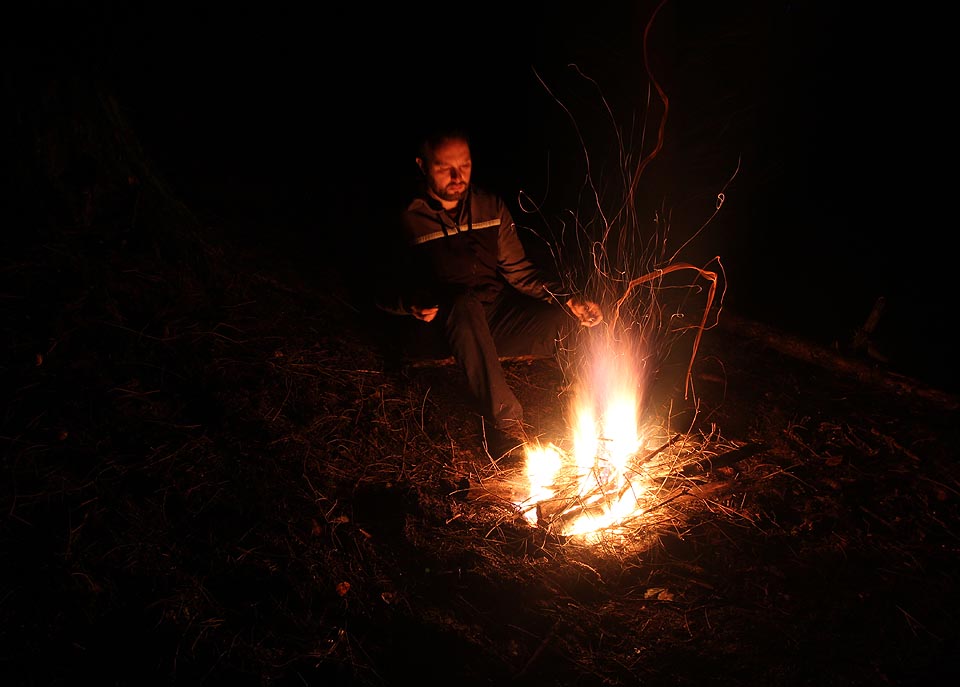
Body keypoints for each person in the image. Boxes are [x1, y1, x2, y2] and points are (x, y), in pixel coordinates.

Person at [377, 126, 603, 457]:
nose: (457, 176)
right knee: (463, 303)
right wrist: (409, 303)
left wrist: (567, 298)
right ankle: (507, 429)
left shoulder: (489, 207)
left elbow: (520, 272)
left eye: (464, 165)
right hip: (438, 326)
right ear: (422, 165)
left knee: (566, 322)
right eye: (444, 167)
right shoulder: (406, 218)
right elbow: (380, 291)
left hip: (491, 318)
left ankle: (591, 420)